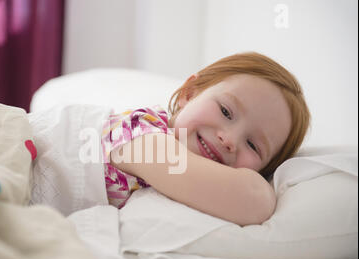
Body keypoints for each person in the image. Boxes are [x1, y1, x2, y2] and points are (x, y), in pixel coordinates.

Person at [101, 52, 311, 227]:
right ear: (189, 94)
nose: (229, 139)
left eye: (253, 145)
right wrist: (257, 189)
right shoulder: (141, 132)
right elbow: (253, 200)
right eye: (226, 112)